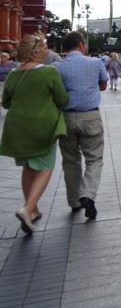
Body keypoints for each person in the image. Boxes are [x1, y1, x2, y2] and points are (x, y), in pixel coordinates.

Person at [0, 33, 68, 234]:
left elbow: (6, 102)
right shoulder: (49, 72)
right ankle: (27, 208)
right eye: (45, 47)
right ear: (35, 52)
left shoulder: (14, 73)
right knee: (45, 168)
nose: (47, 50)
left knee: (28, 167)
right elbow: (62, 98)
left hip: (17, 128)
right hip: (43, 127)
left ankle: (33, 210)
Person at [54, 31, 109, 219]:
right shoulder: (96, 62)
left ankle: (74, 201)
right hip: (90, 116)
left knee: (70, 161)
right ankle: (87, 195)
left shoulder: (56, 67)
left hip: (66, 117)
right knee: (94, 159)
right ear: (80, 44)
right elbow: (103, 86)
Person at [0, 51, 17, 116]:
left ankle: (12, 110)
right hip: (1, 82)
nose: (2, 58)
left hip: (10, 82)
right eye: (1, 57)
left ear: (8, 58)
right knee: (0, 96)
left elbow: (17, 70)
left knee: (11, 95)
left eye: (3, 57)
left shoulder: (12, 64)